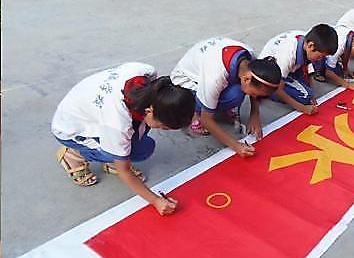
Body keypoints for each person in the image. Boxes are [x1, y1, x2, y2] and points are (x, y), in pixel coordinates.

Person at [52, 63, 195, 216]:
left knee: (143, 148)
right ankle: (72, 154)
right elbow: (124, 171)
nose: (163, 130)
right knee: (127, 153)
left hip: (90, 110)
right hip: (70, 127)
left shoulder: (148, 77)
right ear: (149, 111)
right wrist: (156, 200)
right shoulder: (117, 123)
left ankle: (113, 157)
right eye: (163, 127)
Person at [171, 37, 282, 155]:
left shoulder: (250, 60)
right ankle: (195, 113)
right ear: (246, 79)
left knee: (237, 93)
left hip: (208, 65)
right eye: (254, 94)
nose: (254, 96)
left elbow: (256, 87)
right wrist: (236, 146)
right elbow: (207, 120)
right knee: (234, 95)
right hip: (185, 82)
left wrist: (255, 114)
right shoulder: (214, 77)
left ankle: (219, 105)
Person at [258, 24, 338, 115]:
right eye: (320, 56)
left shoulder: (308, 42)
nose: (321, 59)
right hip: (269, 73)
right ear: (311, 46)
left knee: (309, 94)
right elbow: (278, 89)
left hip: (288, 68)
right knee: (304, 97)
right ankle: (267, 92)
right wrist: (302, 108)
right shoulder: (287, 55)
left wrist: (312, 95)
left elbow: (308, 71)